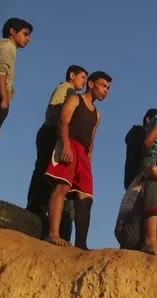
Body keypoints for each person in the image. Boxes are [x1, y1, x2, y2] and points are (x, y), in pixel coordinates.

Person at [44, 71, 111, 248]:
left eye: (108, 88)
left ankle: (81, 244)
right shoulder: (75, 99)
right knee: (62, 187)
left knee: (86, 198)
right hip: (69, 144)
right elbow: (63, 122)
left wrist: (89, 155)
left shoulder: (97, 115)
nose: (106, 91)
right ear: (91, 84)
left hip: (83, 154)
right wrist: (65, 145)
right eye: (103, 86)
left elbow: (92, 138)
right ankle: (53, 234)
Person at [26, 65, 87, 241]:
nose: (83, 81)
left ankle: (41, 209)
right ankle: (35, 206)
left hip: (55, 134)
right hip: (50, 132)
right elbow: (52, 111)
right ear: (72, 75)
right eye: (82, 77)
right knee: (44, 170)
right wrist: (64, 128)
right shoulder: (65, 89)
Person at [0, 17, 32, 154]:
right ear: (13, 31)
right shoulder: (8, 46)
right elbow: (0, 71)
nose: (28, 39)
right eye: (25, 34)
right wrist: (4, 99)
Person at [124, 108, 157, 190]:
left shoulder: (136, 136)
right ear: (148, 120)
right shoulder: (141, 135)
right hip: (138, 181)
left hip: (132, 181)